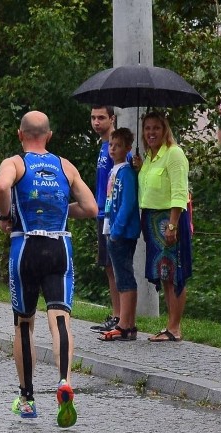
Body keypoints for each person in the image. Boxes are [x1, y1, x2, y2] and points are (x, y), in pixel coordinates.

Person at [0, 111, 97, 427]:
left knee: (24, 324)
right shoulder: (65, 166)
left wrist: (5, 215)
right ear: (48, 136)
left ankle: (26, 399)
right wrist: (62, 209)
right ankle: (64, 381)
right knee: (60, 319)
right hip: (59, 247)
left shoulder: (15, 163)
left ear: (20, 134)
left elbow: (0, 187)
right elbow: (91, 208)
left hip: (25, 246)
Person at [132, 111, 192, 343]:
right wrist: (139, 169)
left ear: (165, 129)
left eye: (156, 128)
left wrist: (173, 225)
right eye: (147, 128)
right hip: (152, 220)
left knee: (174, 272)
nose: (151, 133)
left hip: (169, 220)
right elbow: (150, 187)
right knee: (165, 274)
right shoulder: (150, 157)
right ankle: (170, 326)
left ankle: (175, 327)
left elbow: (179, 191)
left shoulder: (174, 154)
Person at [98, 128, 141, 342]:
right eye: (111, 146)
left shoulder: (126, 172)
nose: (113, 149)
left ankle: (125, 325)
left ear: (128, 149)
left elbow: (128, 203)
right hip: (111, 228)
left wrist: (116, 230)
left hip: (121, 233)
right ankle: (127, 324)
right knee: (120, 275)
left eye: (118, 146)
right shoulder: (115, 170)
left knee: (124, 277)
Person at [88, 106, 121, 333]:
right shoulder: (103, 146)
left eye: (101, 118)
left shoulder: (117, 147)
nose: (96, 122)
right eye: (93, 118)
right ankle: (116, 314)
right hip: (101, 212)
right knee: (108, 266)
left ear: (112, 119)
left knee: (116, 266)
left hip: (112, 213)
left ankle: (121, 317)